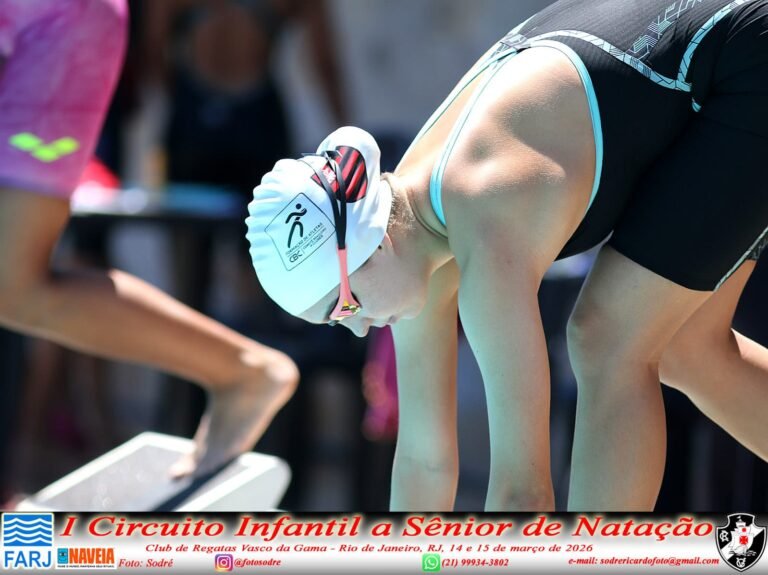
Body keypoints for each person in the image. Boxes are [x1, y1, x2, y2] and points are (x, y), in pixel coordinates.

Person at [247, 0, 768, 511]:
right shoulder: (409, 226)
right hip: (717, 71)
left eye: (342, 306)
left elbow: (524, 494)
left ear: (370, 244)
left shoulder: (484, 214)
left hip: (746, 63)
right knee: (685, 347)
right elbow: (424, 462)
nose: (358, 329)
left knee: (607, 341)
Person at [0, 0, 298, 480]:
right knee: (12, 289)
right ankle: (242, 370)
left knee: (11, 282)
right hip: (53, 33)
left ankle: (244, 370)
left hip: (54, 26)